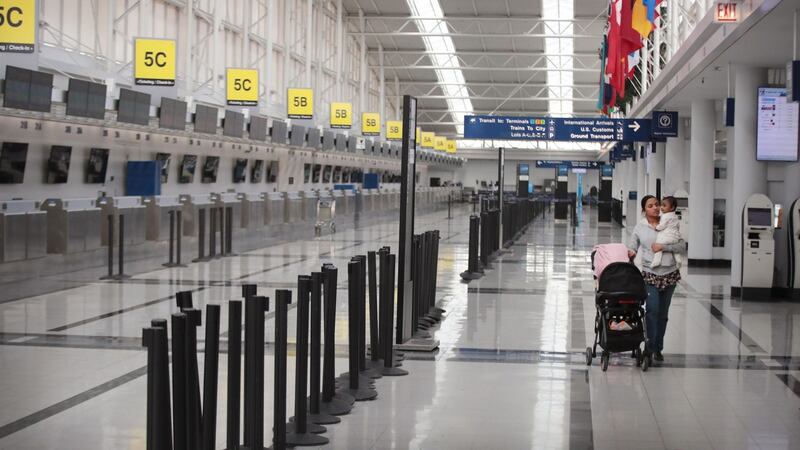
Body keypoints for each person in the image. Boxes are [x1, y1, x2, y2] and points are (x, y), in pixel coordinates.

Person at [627, 195, 686, 362]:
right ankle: (649, 347)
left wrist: (663, 247)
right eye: (650, 205)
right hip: (650, 273)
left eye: (657, 204)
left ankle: (658, 348)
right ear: (644, 210)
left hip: (670, 274)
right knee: (652, 311)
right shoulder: (640, 227)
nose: (655, 207)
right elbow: (633, 246)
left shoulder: (669, 221)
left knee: (663, 314)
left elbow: (681, 246)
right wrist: (631, 253)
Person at [650, 196, 683, 268]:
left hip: (667, 237)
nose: (662, 207)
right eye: (661, 205)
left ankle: (656, 261)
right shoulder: (675, 216)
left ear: (672, 208)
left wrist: (656, 227)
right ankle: (678, 259)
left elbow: (662, 226)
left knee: (658, 246)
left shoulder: (666, 216)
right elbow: (677, 226)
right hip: (675, 237)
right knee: (675, 250)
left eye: (664, 206)